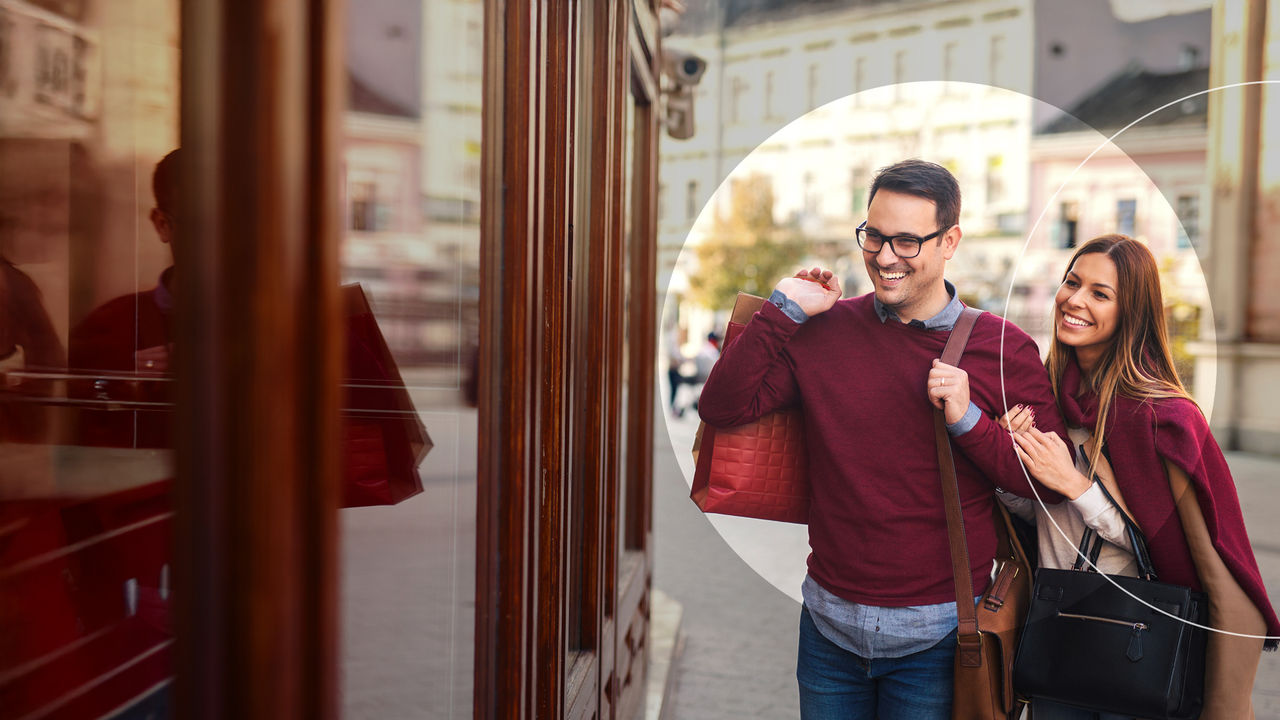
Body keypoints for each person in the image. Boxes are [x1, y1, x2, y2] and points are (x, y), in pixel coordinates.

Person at [698, 159, 1066, 719]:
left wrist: (969, 421)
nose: (885, 256)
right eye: (873, 236)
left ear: (950, 242)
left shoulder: (1001, 347)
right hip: (827, 626)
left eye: (907, 241)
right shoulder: (824, 330)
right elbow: (723, 406)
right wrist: (784, 309)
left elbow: (1044, 487)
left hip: (941, 636)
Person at [985, 234, 1280, 719]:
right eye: (1071, 282)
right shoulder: (1045, 397)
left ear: (1132, 312)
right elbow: (1039, 517)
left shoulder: (1164, 417)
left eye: (1100, 294)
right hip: (1057, 629)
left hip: (1137, 641)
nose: (1075, 300)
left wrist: (1077, 486)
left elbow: (1158, 550)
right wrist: (1007, 461)